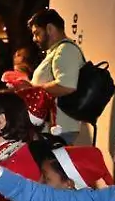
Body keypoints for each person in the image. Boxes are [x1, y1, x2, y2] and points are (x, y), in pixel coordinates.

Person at [28, 8, 87, 144]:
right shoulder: (57, 51)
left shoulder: (65, 50)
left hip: (59, 130)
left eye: (37, 33)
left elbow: (66, 85)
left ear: (49, 28)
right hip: (54, 129)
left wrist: (31, 90)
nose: (34, 39)